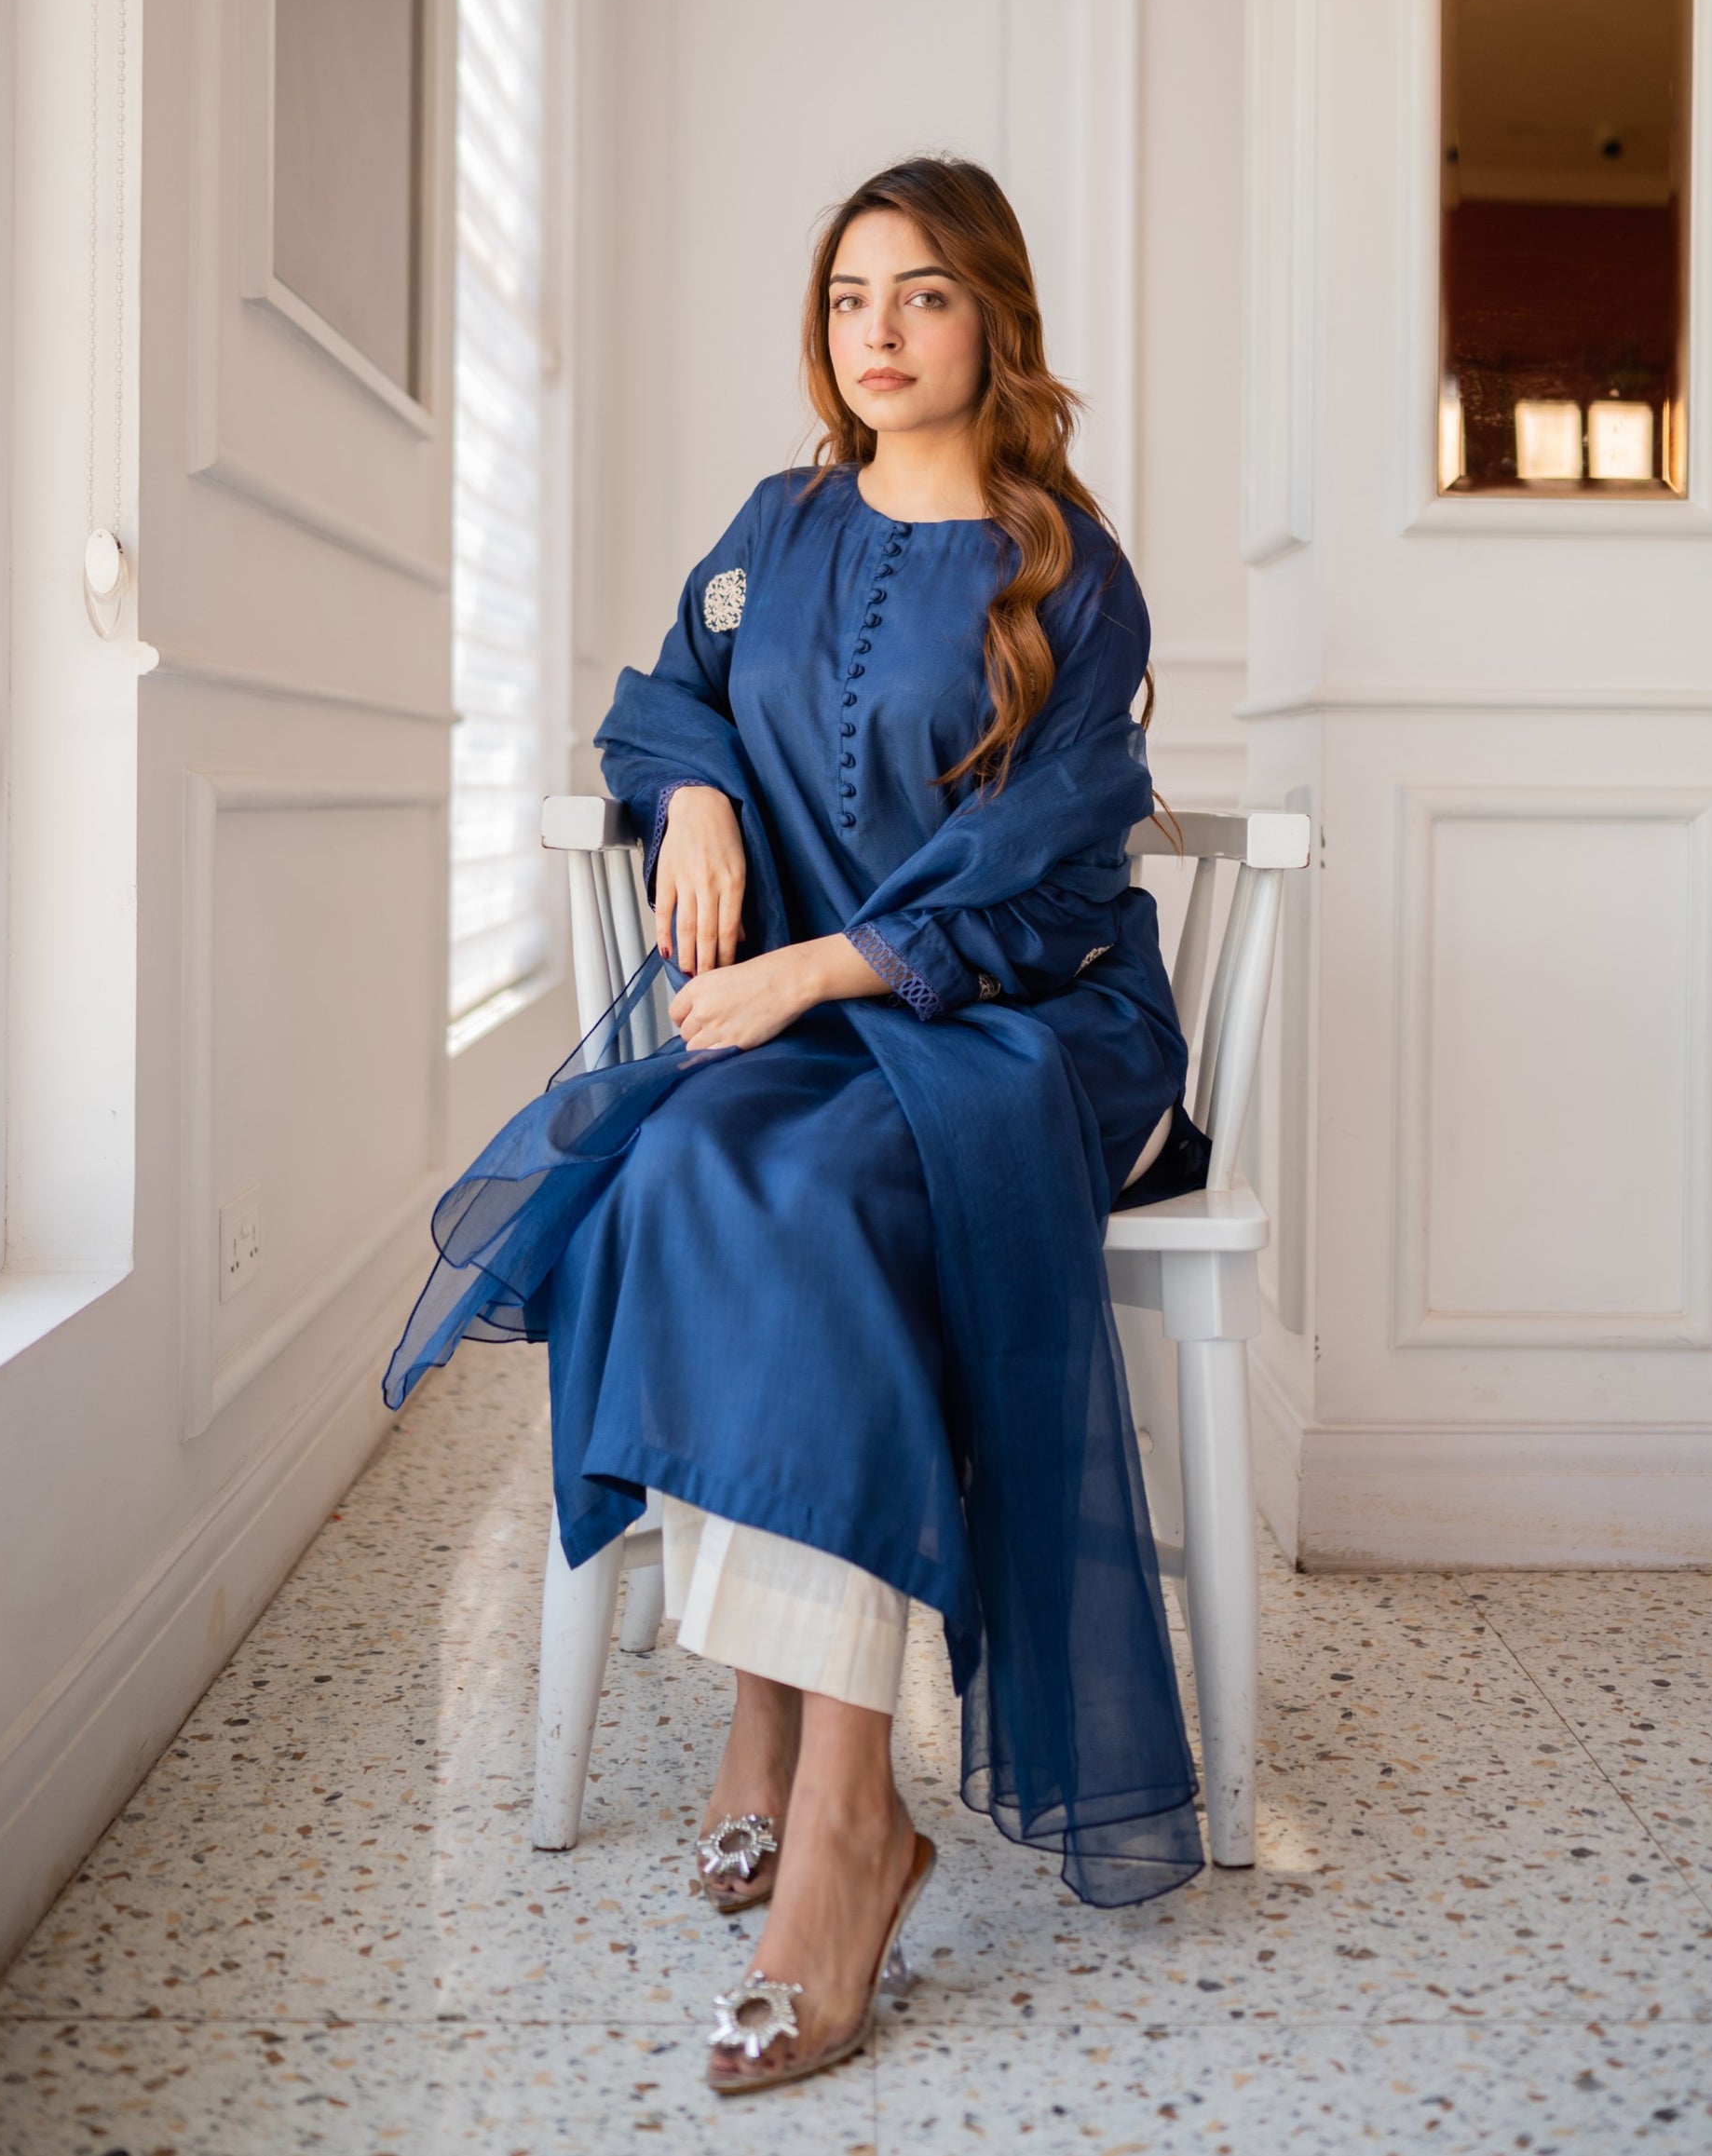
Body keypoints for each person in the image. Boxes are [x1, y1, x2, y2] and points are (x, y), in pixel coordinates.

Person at [386, 156, 1210, 2095]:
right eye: (850, 297)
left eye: (922, 295)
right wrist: (694, 796)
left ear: (993, 319)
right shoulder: (777, 525)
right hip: (815, 1026)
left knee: (805, 1192)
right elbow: (665, 699)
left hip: (1018, 1023)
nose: (879, 332)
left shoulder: (1069, 573)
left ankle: (844, 1811)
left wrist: (818, 968)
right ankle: (768, 1715)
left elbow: (1047, 874)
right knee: (678, 1164)